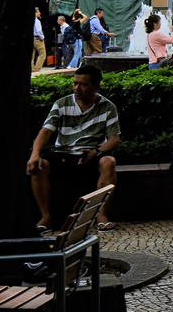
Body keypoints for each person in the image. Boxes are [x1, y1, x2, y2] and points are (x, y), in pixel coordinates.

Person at [28, 65, 120, 231]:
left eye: (83, 84)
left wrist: (97, 152)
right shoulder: (62, 104)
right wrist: (35, 155)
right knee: (39, 166)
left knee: (108, 162)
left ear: (95, 86)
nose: (77, 88)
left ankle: (101, 215)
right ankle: (46, 217)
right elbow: (46, 132)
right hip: (63, 154)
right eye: (75, 83)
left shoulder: (107, 107)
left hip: (91, 154)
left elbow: (114, 139)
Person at [31, 7, 47, 73]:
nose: (39, 13)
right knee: (42, 54)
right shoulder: (37, 21)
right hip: (37, 39)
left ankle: (31, 67)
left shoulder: (30, 20)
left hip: (31, 38)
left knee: (32, 55)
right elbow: (38, 31)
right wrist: (42, 37)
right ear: (35, 13)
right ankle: (37, 68)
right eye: (38, 12)